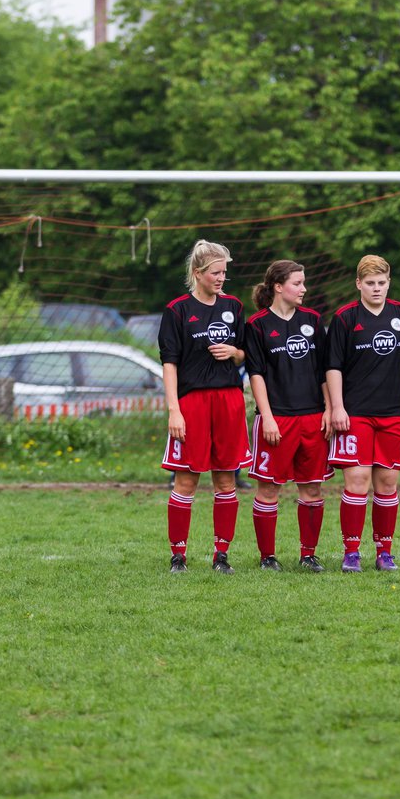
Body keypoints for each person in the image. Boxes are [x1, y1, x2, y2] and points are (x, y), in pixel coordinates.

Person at [326, 254, 400, 572]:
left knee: (387, 483)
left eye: (382, 283)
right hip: (355, 413)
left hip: (394, 413)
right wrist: (338, 406)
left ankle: (384, 552)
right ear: (358, 284)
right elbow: (333, 367)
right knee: (356, 481)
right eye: (370, 283)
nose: (376, 288)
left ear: (388, 283)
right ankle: (351, 553)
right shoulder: (344, 318)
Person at [159, 239, 252, 574]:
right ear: (197, 273)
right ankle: (178, 556)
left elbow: (247, 354)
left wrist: (235, 353)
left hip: (228, 400)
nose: (221, 278)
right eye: (215, 272)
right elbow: (169, 363)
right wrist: (174, 410)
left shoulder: (235, 307)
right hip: (192, 402)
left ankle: (221, 556)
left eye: (224, 272)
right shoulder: (177, 311)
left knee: (226, 481)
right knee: (186, 481)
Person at [244, 260, 332, 572]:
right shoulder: (256, 325)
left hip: (313, 418)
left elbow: (324, 371)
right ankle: (268, 557)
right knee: (269, 489)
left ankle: (308, 555)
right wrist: (266, 416)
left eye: (304, 282)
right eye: (298, 283)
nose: (304, 289)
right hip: (277, 419)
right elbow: (256, 374)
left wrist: (329, 408)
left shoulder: (312, 320)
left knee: (312, 487)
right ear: (278, 287)